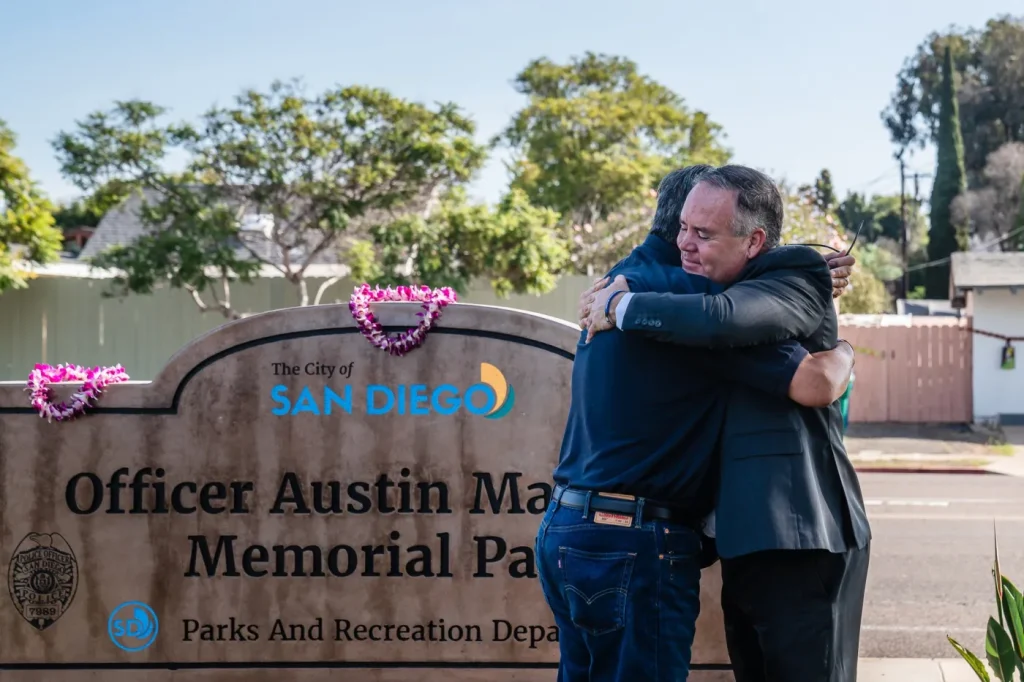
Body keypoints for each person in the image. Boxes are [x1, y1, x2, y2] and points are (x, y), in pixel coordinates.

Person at [536, 165, 857, 682]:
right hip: (632, 541)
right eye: (693, 228)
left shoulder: (625, 277)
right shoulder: (683, 303)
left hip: (566, 527)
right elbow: (810, 380)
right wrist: (840, 345)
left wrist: (805, 271)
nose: (692, 242)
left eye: (704, 232)